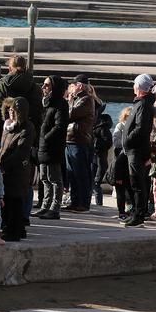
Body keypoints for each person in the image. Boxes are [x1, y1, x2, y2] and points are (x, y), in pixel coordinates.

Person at [118, 75, 156, 227]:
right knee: (134, 183)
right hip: (134, 149)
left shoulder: (144, 105)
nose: (133, 87)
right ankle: (135, 212)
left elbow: (141, 128)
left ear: (140, 88)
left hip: (136, 150)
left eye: (135, 84)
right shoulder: (141, 103)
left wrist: (127, 140)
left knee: (137, 183)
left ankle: (139, 215)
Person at [0, 96, 34, 241]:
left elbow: (21, 152)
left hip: (16, 171)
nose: (11, 113)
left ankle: (14, 230)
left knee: (15, 201)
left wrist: (4, 165)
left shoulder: (27, 127)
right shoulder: (7, 126)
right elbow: (2, 147)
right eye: (10, 110)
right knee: (6, 201)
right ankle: (10, 227)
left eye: (15, 110)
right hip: (5, 169)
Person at [35, 74, 68, 220]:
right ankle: (45, 206)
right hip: (43, 146)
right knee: (44, 178)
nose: (43, 87)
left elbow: (59, 126)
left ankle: (55, 208)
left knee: (54, 178)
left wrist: (46, 137)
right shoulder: (46, 103)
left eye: (47, 85)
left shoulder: (61, 104)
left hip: (53, 146)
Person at [63, 77, 95, 213]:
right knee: (72, 174)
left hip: (79, 140)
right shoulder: (77, 99)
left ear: (80, 86)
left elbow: (70, 114)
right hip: (70, 140)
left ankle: (83, 203)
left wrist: (69, 100)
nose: (71, 87)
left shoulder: (86, 99)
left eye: (73, 85)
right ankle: (75, 201)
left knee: (81, 173)